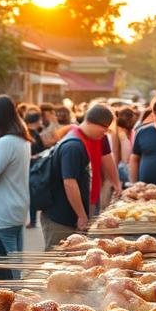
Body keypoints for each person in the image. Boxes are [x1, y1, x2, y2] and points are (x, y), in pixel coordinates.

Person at [40, 105, 120, 248]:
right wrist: (82, 215)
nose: (105, 133)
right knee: (57, 262)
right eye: (104, 129)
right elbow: (70, 183)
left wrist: (116, 183)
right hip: (61, 219)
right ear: (90, 122)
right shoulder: (73, 146)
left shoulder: (90, 138)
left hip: (72, 216)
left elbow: (106, 159)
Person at [0, 96, 31, 259]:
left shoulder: (7, 142)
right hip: (16, 208)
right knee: (15, 261)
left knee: (8, 267)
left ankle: (15, 286)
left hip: (3, 211)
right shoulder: (20, 139)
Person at [112, 107, 137, 184]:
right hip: (122, 170)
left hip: (123, 169)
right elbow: (125, 158)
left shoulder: (129, 132)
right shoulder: (121, 134)